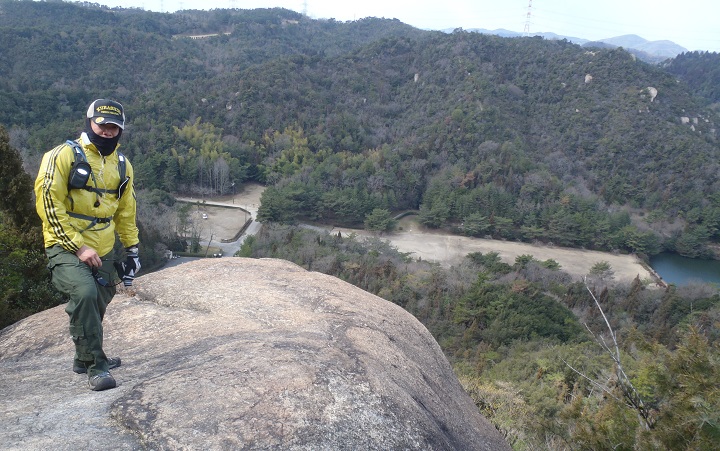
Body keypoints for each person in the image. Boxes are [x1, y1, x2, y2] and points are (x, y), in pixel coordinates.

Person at [34, 99, 140, 391]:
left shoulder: (122, 164)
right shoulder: (63, 155)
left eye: (114, 127)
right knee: (84, 293)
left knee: (100, 298)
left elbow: (126, 210)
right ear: (89, 121)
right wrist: (78, 247)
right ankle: (97, 366)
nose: (107, 131)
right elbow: (48, 204)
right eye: (102, 124)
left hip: (102, 247)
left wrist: (132, 250)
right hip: (64, 245)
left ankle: (83, 358)